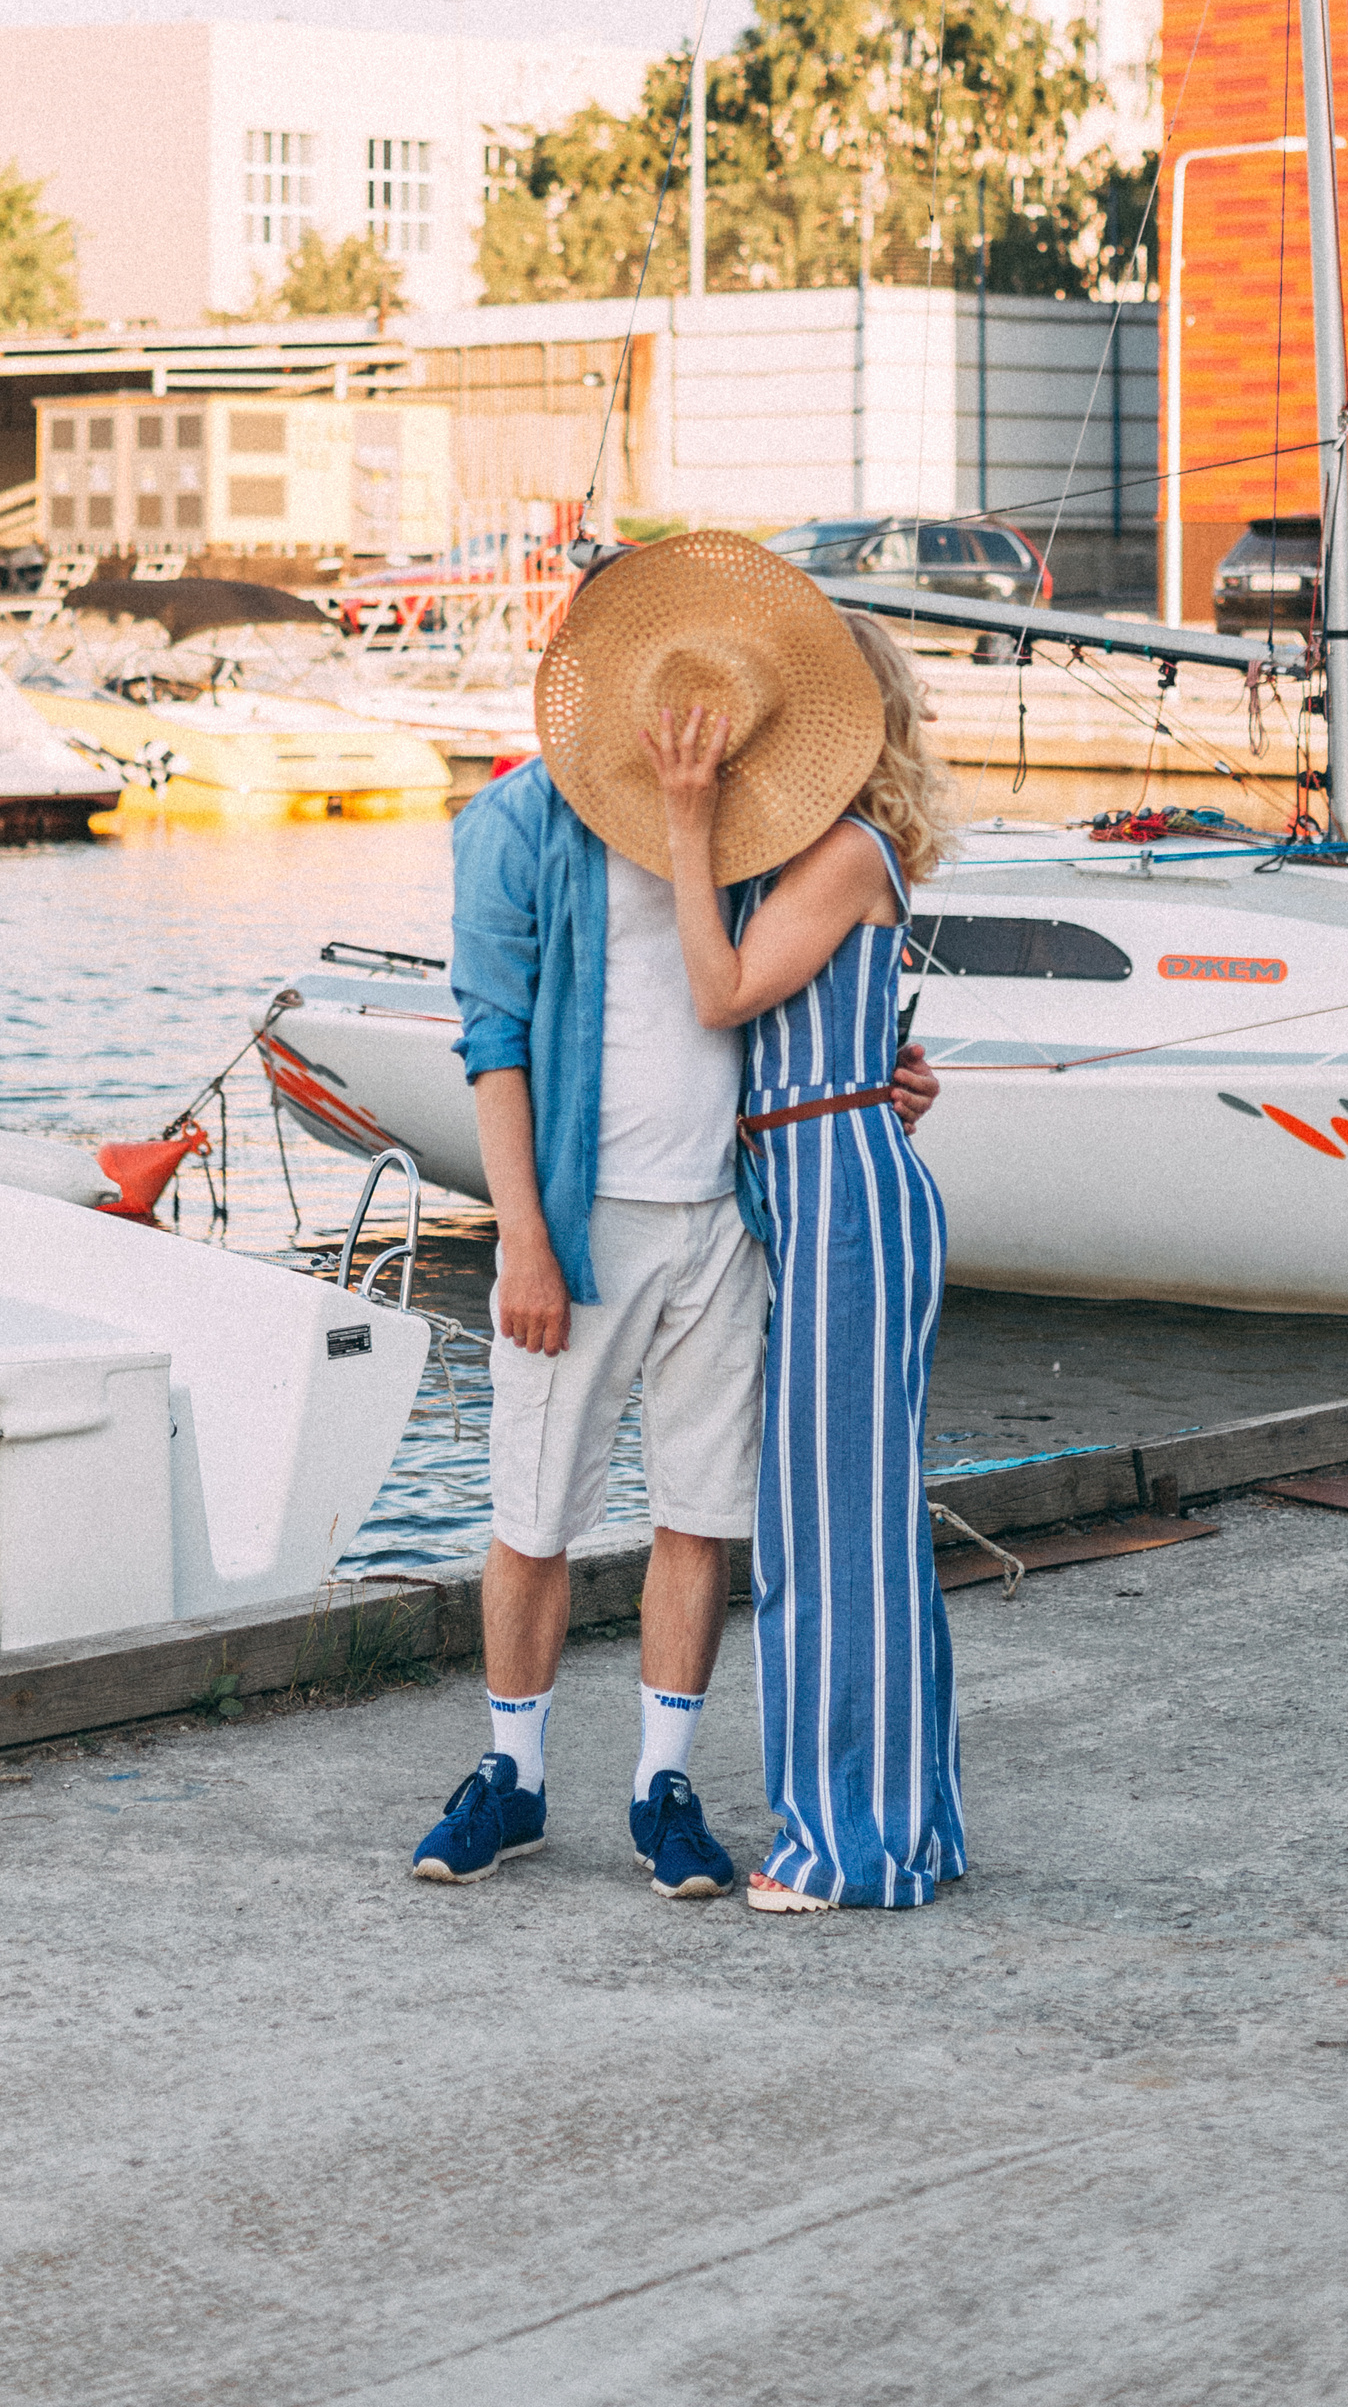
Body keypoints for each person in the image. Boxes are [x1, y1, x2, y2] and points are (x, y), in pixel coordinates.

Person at [412, 533, 937, 1901]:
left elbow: (790, 988)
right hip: (584, 1228)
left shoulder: (752, 816)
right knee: (533, 1516)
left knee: (700, 1517)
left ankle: (664, 1786)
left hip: (736, 1216)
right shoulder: (519, 823)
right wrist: (522, 1236)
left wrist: (876, 1072)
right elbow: (493, 1045)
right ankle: (511, 1778)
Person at [642, 602, 965, 1913]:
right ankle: (902, 1827)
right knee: (850, 1525)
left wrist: (681, 813)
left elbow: (722, 999)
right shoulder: (811, 859)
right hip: (822, 1173)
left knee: (833, 1537)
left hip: (842, 1192)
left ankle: (847, 1844)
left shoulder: (845, 850)